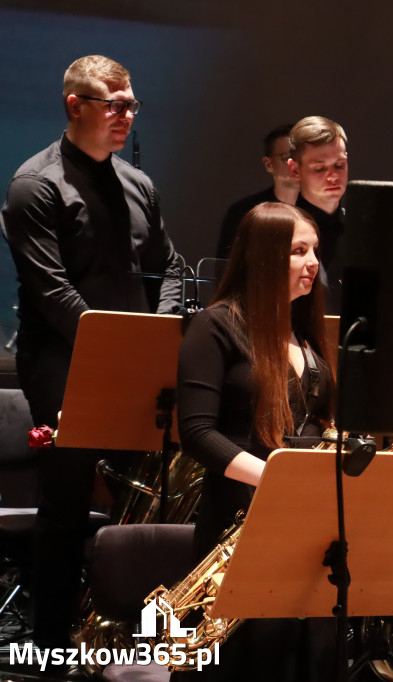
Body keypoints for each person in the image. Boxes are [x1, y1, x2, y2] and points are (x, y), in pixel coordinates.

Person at [0, 54, 181, 652]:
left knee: (146, 499)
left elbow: (171, 269)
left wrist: (159, 335)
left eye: (132, 104)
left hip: (131, 360)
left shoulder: (139, 185)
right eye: (114, 104)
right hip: (63, 363)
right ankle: (51, 644)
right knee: (68, 501)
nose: (126, 116)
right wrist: (126, 350)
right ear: (74, 105)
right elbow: (52, 291)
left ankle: (129, 635)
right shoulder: (36, 184)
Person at [175, 202, 333, 680]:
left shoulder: (306, 334)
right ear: (264, 258)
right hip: (238, 519)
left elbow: (317, 421)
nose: (313, 264)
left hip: (304, 524)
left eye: (315, 251)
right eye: (299, 251)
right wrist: (277, 479)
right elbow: (198, 433)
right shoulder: (215, 326)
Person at [287, 116, 348, 309]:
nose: (333, 177)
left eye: (340, 165)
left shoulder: (363, 231)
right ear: (295, 170)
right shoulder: (280, 229)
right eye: (319, 168)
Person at [215, 123, 299, 258]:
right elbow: (226, 269)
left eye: (300, 156)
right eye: (287, 157)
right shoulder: (244, 213)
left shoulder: (320, 210)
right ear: (268, 164)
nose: (295, 163)